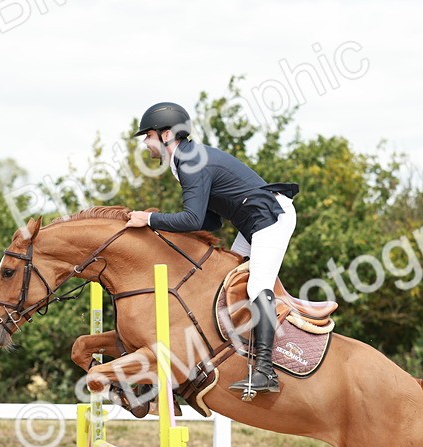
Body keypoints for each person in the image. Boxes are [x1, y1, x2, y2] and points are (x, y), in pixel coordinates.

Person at [124, 101, 299, 398]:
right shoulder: (185, 161)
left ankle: (266, 371)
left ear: (166, 135)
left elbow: (192, 219)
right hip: (251, 221)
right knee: (226, 283)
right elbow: (210, 221)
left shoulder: (190, 160)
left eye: (148, 136)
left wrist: (150, 218)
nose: (145, 143)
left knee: (257, 285)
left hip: (271, 217)